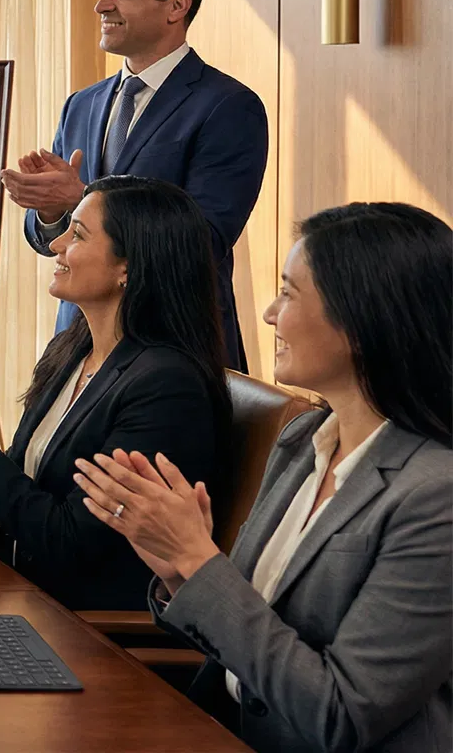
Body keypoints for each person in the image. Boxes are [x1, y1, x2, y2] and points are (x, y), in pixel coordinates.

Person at [77, 202, 451, 752]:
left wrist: (201, 564)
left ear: (363, 320)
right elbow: (248, 631)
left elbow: (339, 717)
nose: (271, 313)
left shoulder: (435, 496)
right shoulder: (303, 439)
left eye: (291, 293)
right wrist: (180, 569)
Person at [0, 176, 230, 612]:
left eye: (78, 234)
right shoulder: (72, 349)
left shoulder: (166, 386)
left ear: (128, 265)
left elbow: (70, 542)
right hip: (27, 600)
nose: (56, 245)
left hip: (87, 632)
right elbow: (28, 499)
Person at [1, 0, 267, 371]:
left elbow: (203, 241)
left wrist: (82, 198)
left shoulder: (228, 106)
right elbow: (49, 241)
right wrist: (50, 212)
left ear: (177, 6)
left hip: (174, 349)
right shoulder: (81, 104)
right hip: (77, 348)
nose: (102, 5)